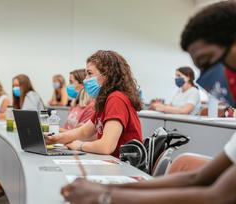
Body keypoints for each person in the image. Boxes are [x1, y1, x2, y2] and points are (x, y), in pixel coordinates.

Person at [61, 2, 236, 204]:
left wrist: (106, 196)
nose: (205, 80)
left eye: (208, 61)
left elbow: (218, 196)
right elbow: (197, 178)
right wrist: (105, 187)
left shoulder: (116, 98)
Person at [46, 50, 143, 158]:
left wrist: (80, 146)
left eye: (90, 74)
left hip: (125, 167)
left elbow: (106, 146)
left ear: (107, 75)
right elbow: (84, 132)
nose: (85, 80)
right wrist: (54, 139)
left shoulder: (116, 99)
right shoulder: (104, 101)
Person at [0, 74, 44, 202]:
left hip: (38, 137)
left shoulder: (30, 95)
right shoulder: (21, 98)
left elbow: (28, 118)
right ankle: (0, 185)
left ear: (25, 85)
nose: (15, 88)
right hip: (29, 135)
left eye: (18, 85)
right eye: (13, 86)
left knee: (14, 157)